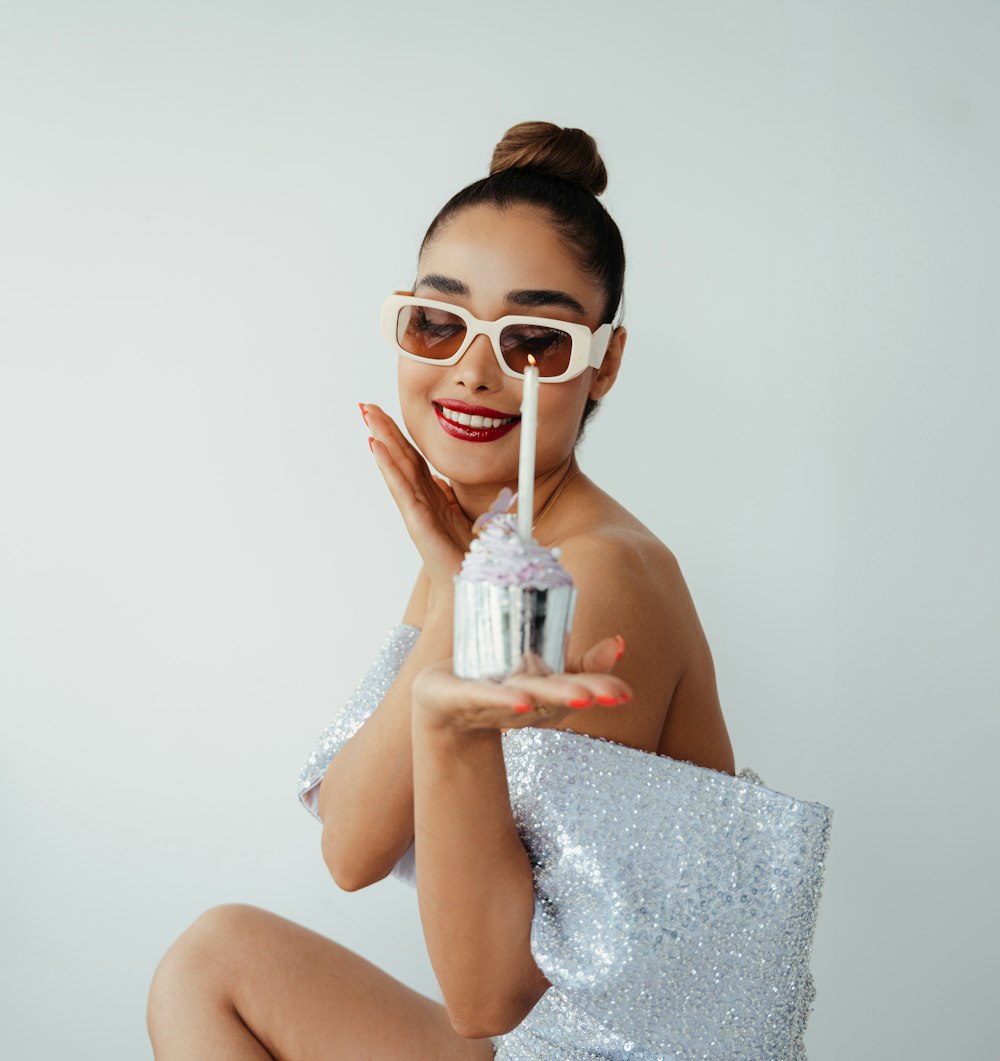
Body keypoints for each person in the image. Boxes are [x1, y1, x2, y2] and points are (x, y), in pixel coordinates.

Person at [147, 122, 828, 1061]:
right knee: (212, 961)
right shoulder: (484, 542)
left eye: (532, 339)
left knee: (217, 963)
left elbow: (488, 994)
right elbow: (351, 849)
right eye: (440, 321)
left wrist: (450, 674)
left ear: (605, 360)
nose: (473, 369)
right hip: (546, 1041)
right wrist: (454, 587)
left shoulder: (594, 575)